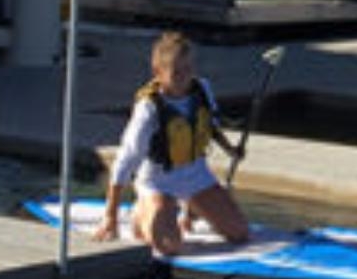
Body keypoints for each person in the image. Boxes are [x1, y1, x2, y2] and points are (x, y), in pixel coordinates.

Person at [91, 31, 251, 256]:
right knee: (169, 246)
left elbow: (210, 126)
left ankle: (189, 208)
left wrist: (230, 149)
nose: (184, 78)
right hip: (158, 181)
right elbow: (126, 160)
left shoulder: (202, 89)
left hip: (196, 174)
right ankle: (141, 214)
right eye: (176, 72)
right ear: (158, 72)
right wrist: (111, 216)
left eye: (188, 69)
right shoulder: (148, 109)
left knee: (240, 232)